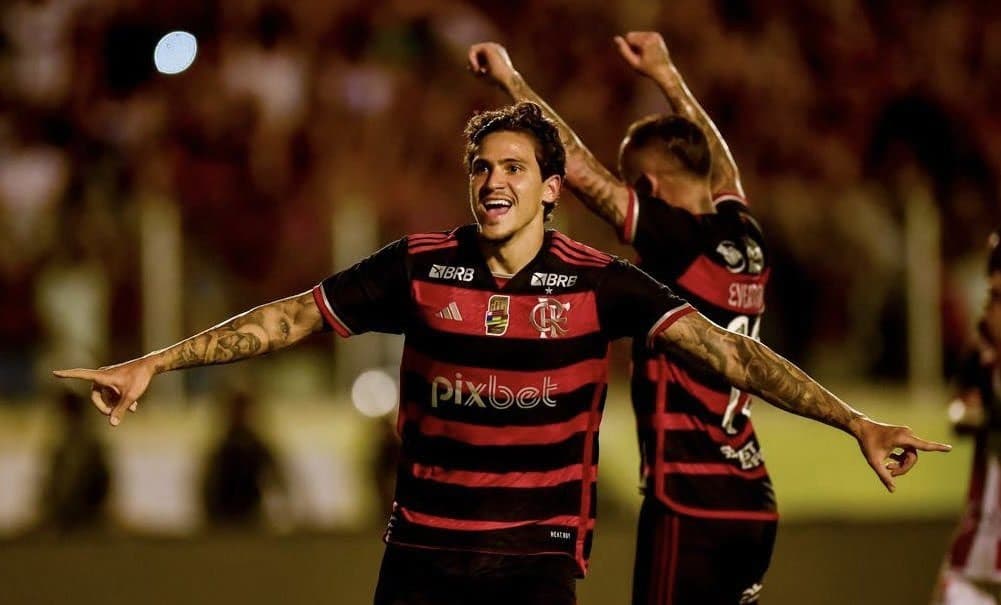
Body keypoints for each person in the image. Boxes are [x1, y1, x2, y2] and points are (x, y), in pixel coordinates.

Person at [55, 102, 948, 605]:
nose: (492, 182)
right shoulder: (417, 268)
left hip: (535, 557)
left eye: (513, 167)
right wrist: (154, 364)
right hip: (421, 553)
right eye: (481, 167)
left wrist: (853, 420)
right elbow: (290, 317)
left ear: (550, 188)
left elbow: (731, 356)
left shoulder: (598, 283)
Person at [467, 33, 779, 603]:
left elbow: (579, 171)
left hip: (690, 501)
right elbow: (722, 166)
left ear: (648, 189)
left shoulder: (674, 243)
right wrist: (666, 74)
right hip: (754, 499)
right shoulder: (746, 238)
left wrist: (511, 81)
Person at [932, 229, 1001, 605]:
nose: (988, 310)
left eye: (998, 298)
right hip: (977, 557)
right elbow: (959, 410)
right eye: (991, 296)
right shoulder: (982, 362)